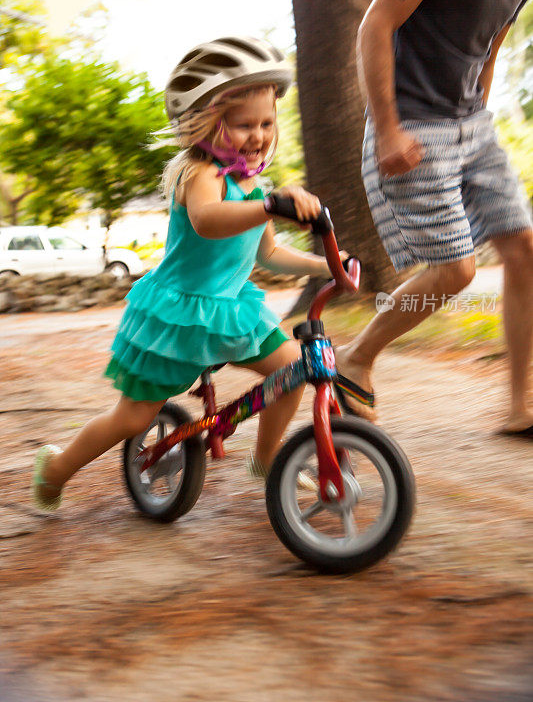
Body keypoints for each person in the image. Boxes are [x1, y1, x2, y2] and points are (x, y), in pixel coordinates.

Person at [32, 36, 342, 511]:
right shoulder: (199, 174)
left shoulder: (253, 184)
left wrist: (330, 265)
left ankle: (268, 463)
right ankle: (55, 468)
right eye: (243, 125)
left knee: (293, 370)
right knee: (134, 418)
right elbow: (208, 220)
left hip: (231, 311)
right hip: (177, 315)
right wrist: (271, 206)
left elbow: (270, 255)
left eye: (266, 123)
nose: (258, 135)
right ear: (206, 122)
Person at [335, 0, 533, 436]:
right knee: (457, 270)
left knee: (525, 249)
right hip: (413, 125)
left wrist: (480, 117)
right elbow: (376, 23)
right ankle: (356, 355)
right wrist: (388, 128)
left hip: (473, 124)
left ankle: (520, 405)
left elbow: (491, 45)